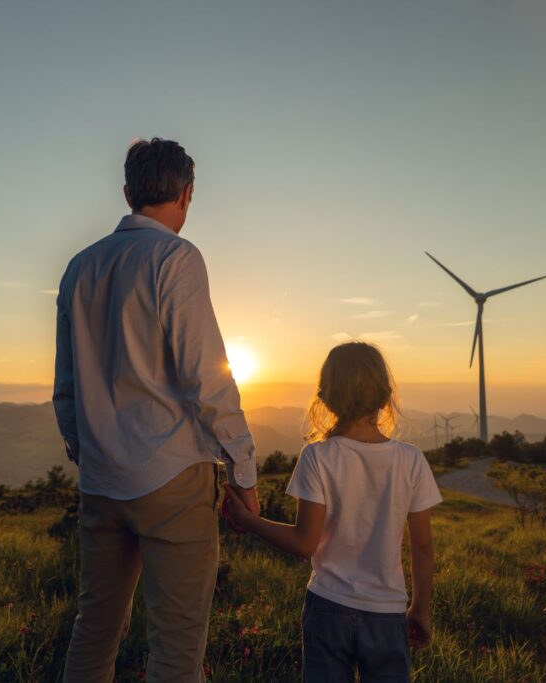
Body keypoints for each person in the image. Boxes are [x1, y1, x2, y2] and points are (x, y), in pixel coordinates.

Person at [52, 137, 259, 683]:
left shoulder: (79, 267)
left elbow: (66, 388)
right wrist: (243, 467)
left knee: (94, 631)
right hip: (171, 477)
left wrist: (88, 450)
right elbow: (207, 378)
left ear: (127, 192)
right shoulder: (176, 258)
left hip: (100, 482)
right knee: (175, 645)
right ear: (187, 194)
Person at [223, 342, 441, 682]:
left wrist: (250, 521)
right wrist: (421, 609)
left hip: (328, 608)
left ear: (324, 398)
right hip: (386, 613)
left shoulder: (317, 457)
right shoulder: (411, 460)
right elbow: (423, 547)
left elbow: (304, 542)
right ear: (386, 396)